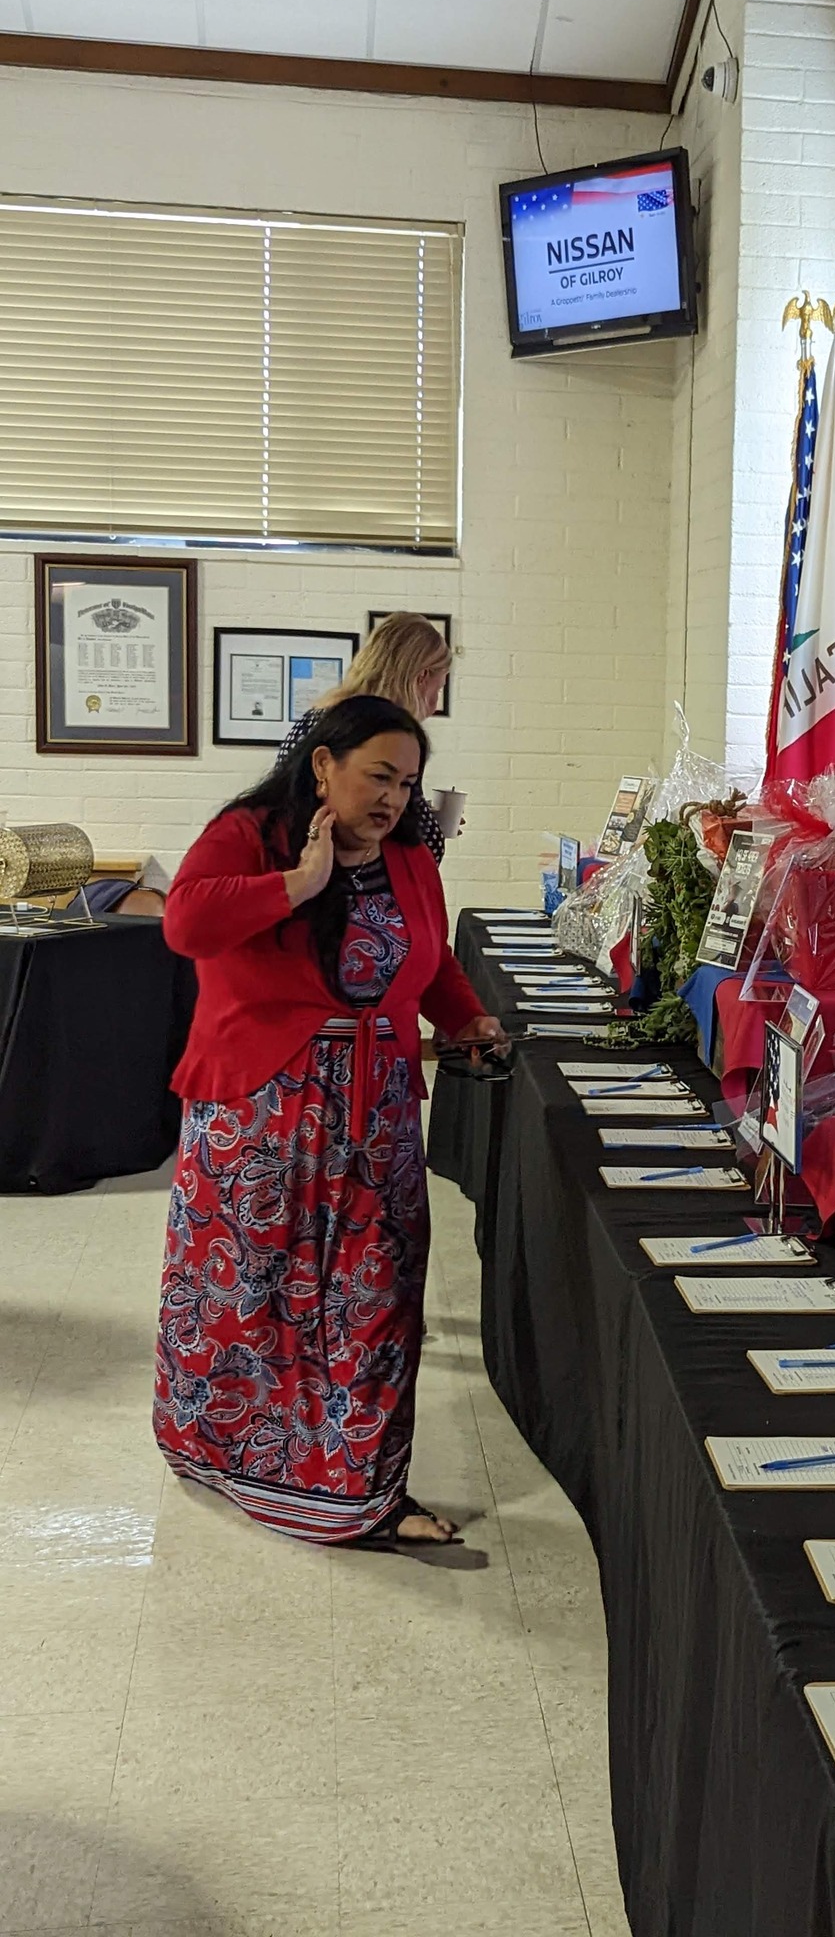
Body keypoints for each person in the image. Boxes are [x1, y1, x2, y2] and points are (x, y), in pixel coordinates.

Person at [154, 695, 506, 1546]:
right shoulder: (249, 832)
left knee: (373, 1300)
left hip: (372, 1117)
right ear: (323, 765)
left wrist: (466, 1020)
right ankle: (223, 1454)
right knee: (248, 1301)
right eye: (378, 775)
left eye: (407, 782)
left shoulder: (412, 855)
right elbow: (185, 924)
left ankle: (363, 1494)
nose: (393, 798)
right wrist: (296, 885)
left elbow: (429, 960)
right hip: (259, 1114)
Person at [277, 612, 454, 862]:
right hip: (347, 885)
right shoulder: (387, 737)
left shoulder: (317, 717)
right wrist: (432, 827)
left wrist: (422, 814)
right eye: (439, 688)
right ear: (421, 678)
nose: (435, 705)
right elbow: (417, 843)